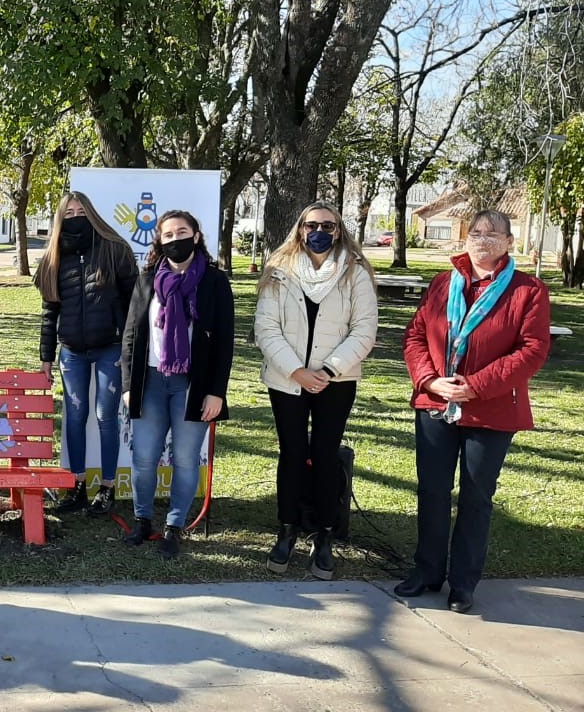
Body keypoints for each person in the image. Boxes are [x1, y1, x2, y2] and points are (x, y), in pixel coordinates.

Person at [397, 210, 550, 613]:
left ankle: (463, 584)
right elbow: (414, 336)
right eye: (476, 232)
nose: (482, 239)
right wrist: (430, 381)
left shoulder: (528, 289)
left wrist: (475, 387)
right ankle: (427, 572)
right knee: (432, 491)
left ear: (509, 242)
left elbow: (532, 351)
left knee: (476, 497)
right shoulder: (443, 283)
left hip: (492, 410)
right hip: (436, 402)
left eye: (492, 233)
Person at [254, 201, 377, 580]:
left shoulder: (356, 271)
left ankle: (324, 534)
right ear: (300, 228)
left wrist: (326, 370)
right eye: (311, 225)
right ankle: (287, 530)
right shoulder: (279, 269)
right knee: (292, 454)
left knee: (324, 456)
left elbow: (364, 329)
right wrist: (296, 371)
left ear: (339, 230)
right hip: (287, 380)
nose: (318, 231)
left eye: (327, 225)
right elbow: (266, 327)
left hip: (334, 382)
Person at [120, 211, 233, 558]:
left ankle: (174, 526)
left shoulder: (214, 281)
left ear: (196, 236)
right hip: (150, 382)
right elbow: (130, 335)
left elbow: (225, 341)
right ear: (159, 240)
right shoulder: (148, 278)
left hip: (192, 384)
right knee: (143, 458)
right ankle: (142, 521)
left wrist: (216, 391)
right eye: (167, 234)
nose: (174, 239)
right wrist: (127, 385)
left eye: (181, 232)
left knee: (185, 460)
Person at [33, 191, 139, 514]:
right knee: (74, 417)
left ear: (91, 213)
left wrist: (128, 348)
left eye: (81, 210)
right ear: (59, 219)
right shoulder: (54, 256)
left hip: (110, 348)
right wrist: (46, 358)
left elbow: (133, 304)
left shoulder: (113, 249)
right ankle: (76, 484)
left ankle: (107, 488)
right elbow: (50, 313)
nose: (76, 216)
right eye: (69, 212)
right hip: (72, 353)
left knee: (107, 416)